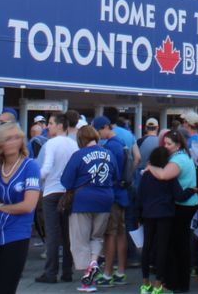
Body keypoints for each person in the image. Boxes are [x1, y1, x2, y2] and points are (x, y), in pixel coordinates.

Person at [0, 121, 42, 294]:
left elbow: (29, 205)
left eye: (17, 138)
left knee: (6, 289)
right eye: (8, 138)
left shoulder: (30, 166)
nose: (13, 142)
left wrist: (0, 206)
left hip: (16, 234)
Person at [145, 126, 198, 293]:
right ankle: (178, 282)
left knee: (177, 245)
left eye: (169, 144)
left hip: (183, 206)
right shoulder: (185, 156)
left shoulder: (177, 160)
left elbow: (163, 175)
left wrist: (150, 168)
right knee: (179, 244)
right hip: (188, 202)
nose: (165, 146)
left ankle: (178, 283)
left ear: (177, 144)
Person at [61, 125, 115, 293]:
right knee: (97, 236)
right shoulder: (109, 154)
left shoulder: (78, 155)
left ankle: (87, 276)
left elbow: (66, 181)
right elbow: (117, 175)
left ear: (80, 139)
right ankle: (94, 262)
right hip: (105, 199)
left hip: (83, 201)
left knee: (80, 239)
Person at [38, 113, 77, 283]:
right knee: (68, 233)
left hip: (51, 191)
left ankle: (50, 272)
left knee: (53, 234)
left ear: (60, 125)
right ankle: (67, 271)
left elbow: (46, 169)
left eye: (51, 123)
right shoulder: (74, 144)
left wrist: (36, 179)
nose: (48, 126)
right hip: (68, 192)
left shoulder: (51, 144)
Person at [92, 116, 131, 288]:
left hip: (113, 194)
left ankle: (107, 273)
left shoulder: (110, 147)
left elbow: (109, 173)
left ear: (106, 127)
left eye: (99, 130)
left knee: (110, 233)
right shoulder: (122, 142)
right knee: (121, 233)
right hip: (122, 193)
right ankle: (120, 272)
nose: (98, 135)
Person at [138, 146, 180, 294]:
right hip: (165, 213)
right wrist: (191, 190)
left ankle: (145, 283)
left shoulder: (146, 175)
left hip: (148, 213)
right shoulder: (169, 176)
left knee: (147, 246)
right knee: (162, 248)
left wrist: (139, 215)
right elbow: (178, 195)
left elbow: (140, 195)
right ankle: (158, 284)